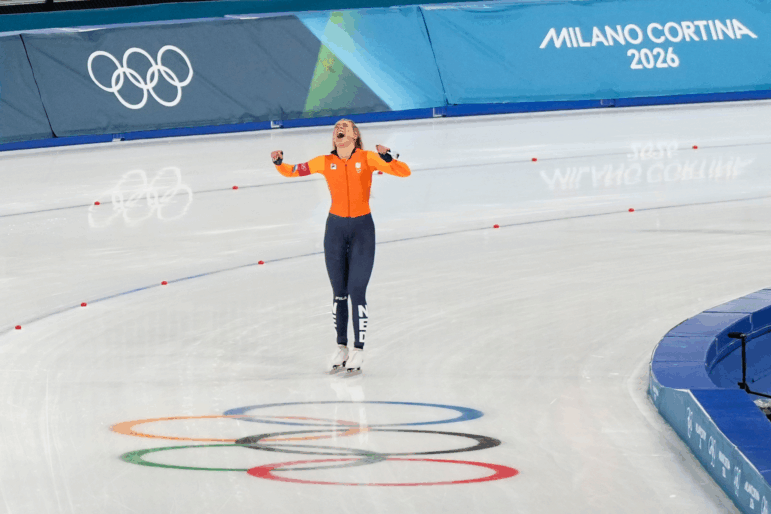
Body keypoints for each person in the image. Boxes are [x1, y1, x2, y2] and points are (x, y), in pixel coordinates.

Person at [271, 119, 410, 376]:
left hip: (362, 231)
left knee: (357, 290)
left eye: (345, 125)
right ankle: (341, 347)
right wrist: (279, 163)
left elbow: (404, 172)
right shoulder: (325, 161)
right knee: (339, 292)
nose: (339, 128)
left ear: (355, 134)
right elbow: (294, 170)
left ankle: (358, 349)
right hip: (334, 231)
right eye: (336, 127)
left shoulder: (368, 158)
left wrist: (388, 157)